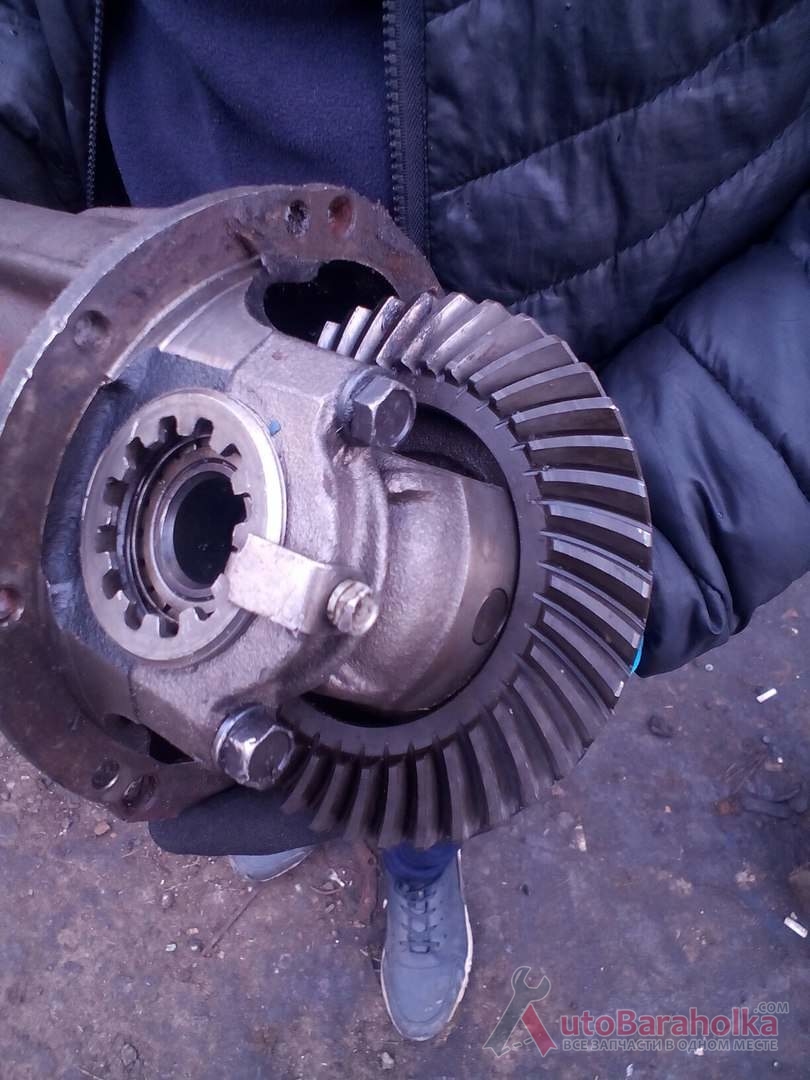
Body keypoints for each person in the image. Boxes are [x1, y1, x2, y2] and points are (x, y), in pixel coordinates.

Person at [2, 0, 808, 1041]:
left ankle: (418, 862)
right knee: (255, 714)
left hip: (535, 405)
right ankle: (288, 781)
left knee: (434, 723)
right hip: (170, 283)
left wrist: (645, 518)